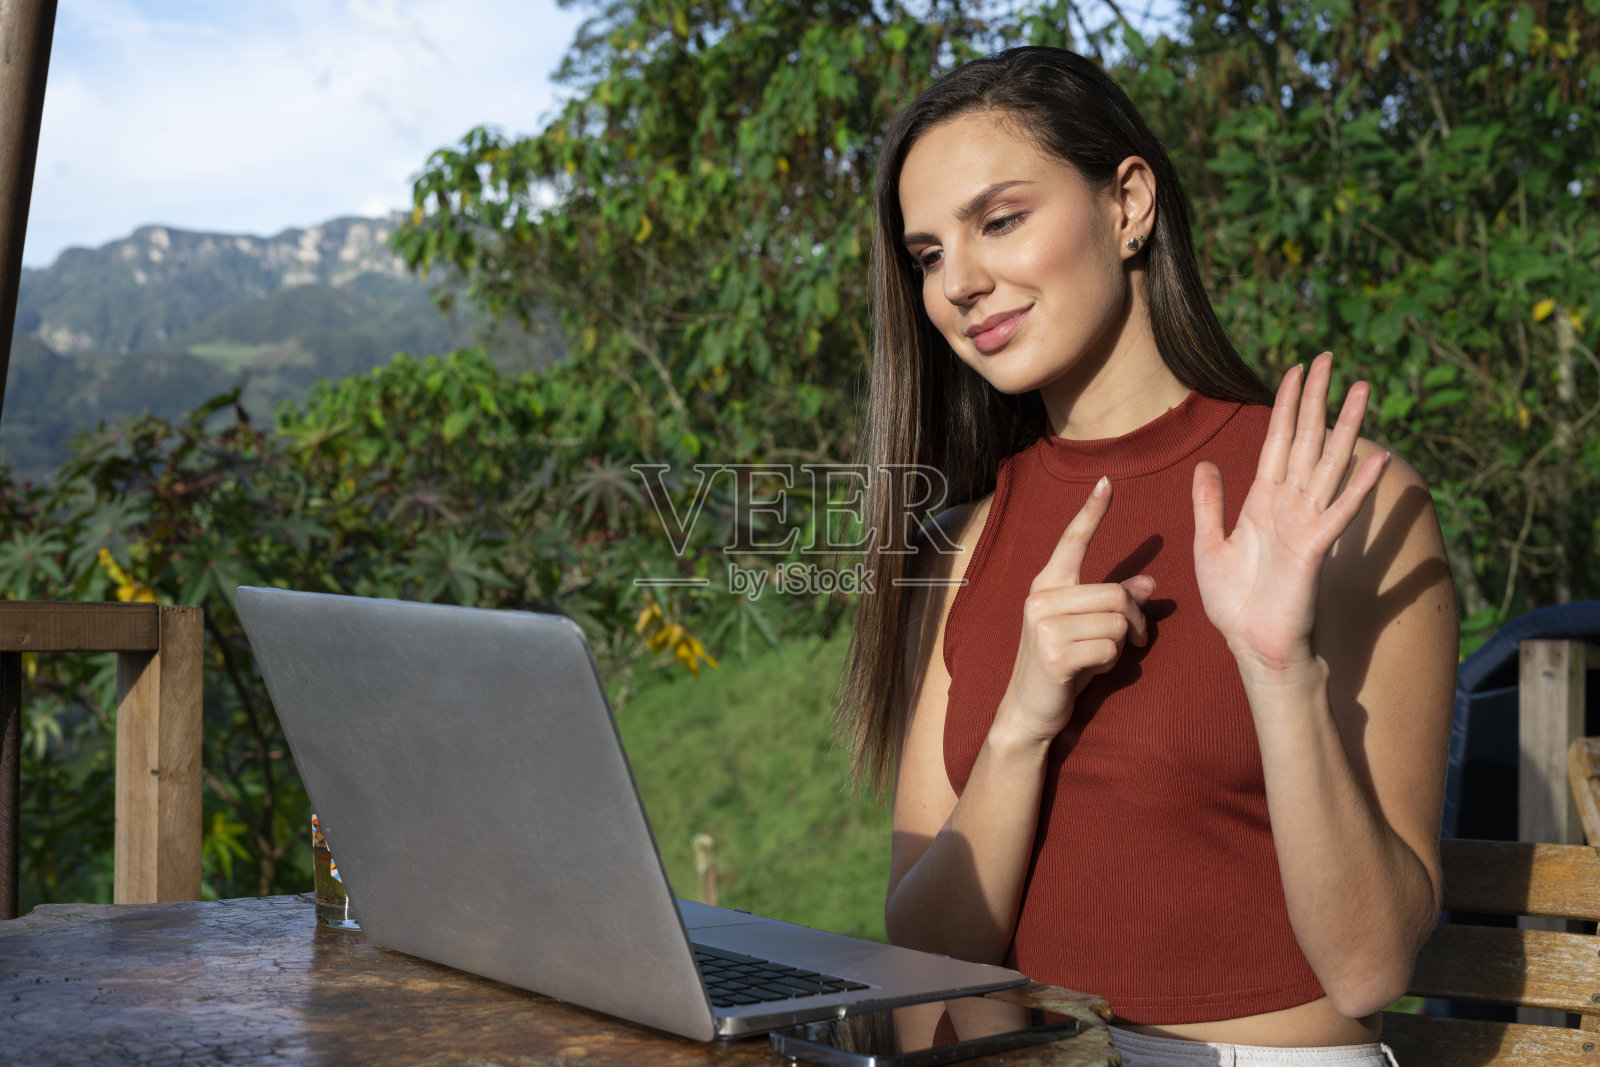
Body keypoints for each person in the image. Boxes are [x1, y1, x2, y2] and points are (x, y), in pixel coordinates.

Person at [837, 46, 1458, 1065]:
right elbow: (930, 948)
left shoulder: (1347, 501)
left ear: (1127, 203)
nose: (959, 283)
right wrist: (1022, 725)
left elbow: (1369, 966)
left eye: (998, 220)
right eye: (926, 254)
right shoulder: (965, 544)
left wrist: (1275, 669)